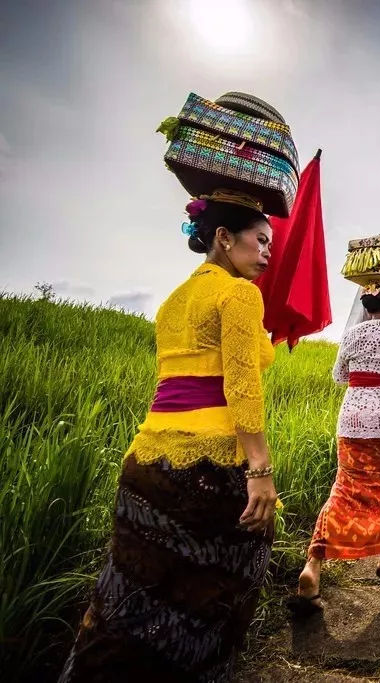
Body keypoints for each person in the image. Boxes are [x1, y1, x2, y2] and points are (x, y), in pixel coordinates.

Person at [60, 191, 279, 682]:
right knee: (213, 603)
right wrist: (260, 470)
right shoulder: (239, 293)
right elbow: (242, 388)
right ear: (223, 238)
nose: (268, 252)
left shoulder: (174, 300)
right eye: (260, 241)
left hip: (147, 463)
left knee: (125, 603)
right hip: (209, 470)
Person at [290, 284, 380, 616]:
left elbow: (339, 376)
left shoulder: (353, 335)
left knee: (344, 487)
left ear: (367, 306)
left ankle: (313, 565)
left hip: (352, 420)